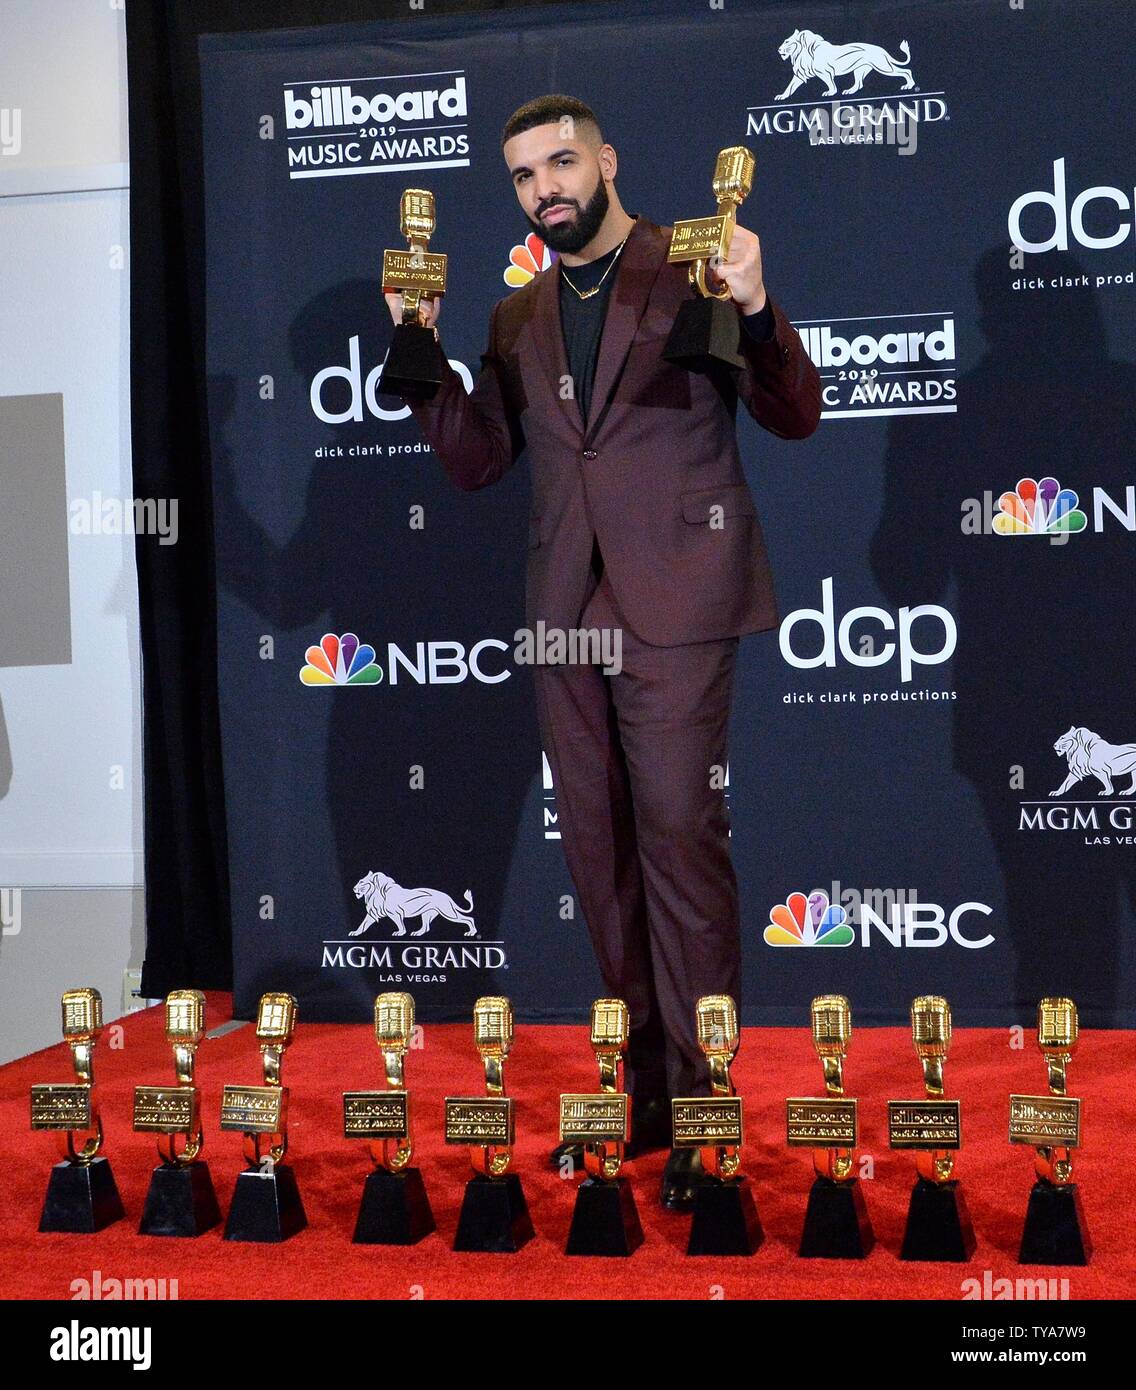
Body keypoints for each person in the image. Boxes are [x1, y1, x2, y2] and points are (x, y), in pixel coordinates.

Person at [384, 94, 821, 1208]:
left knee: (678, 844)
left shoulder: (692, 264)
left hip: (676, 599)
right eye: (525, 176)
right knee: (600, 861)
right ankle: (637, 1101)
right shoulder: (513, 314)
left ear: (607, 160)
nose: (546, 188)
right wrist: (421, 353)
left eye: (562, 162)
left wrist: (759, 300)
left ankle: (702, 1107)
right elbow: (481, 461)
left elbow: (793, 410)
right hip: (562, 615)